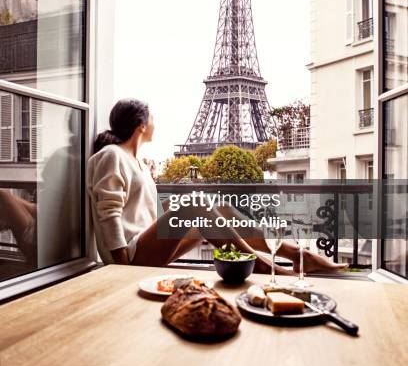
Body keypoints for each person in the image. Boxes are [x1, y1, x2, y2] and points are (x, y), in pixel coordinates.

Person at [87, 98, 347, 274]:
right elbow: (108, 215)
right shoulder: (111, 155)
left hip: (145, 249)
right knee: (198, 204)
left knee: (218, 208)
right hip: (128, 258)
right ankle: (267, 268)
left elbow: (141, 213)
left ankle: (299, 255)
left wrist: (185, 207)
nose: (155, 122)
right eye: (152, 118)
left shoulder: (138, 163)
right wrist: (120, 270)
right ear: (141, 125)